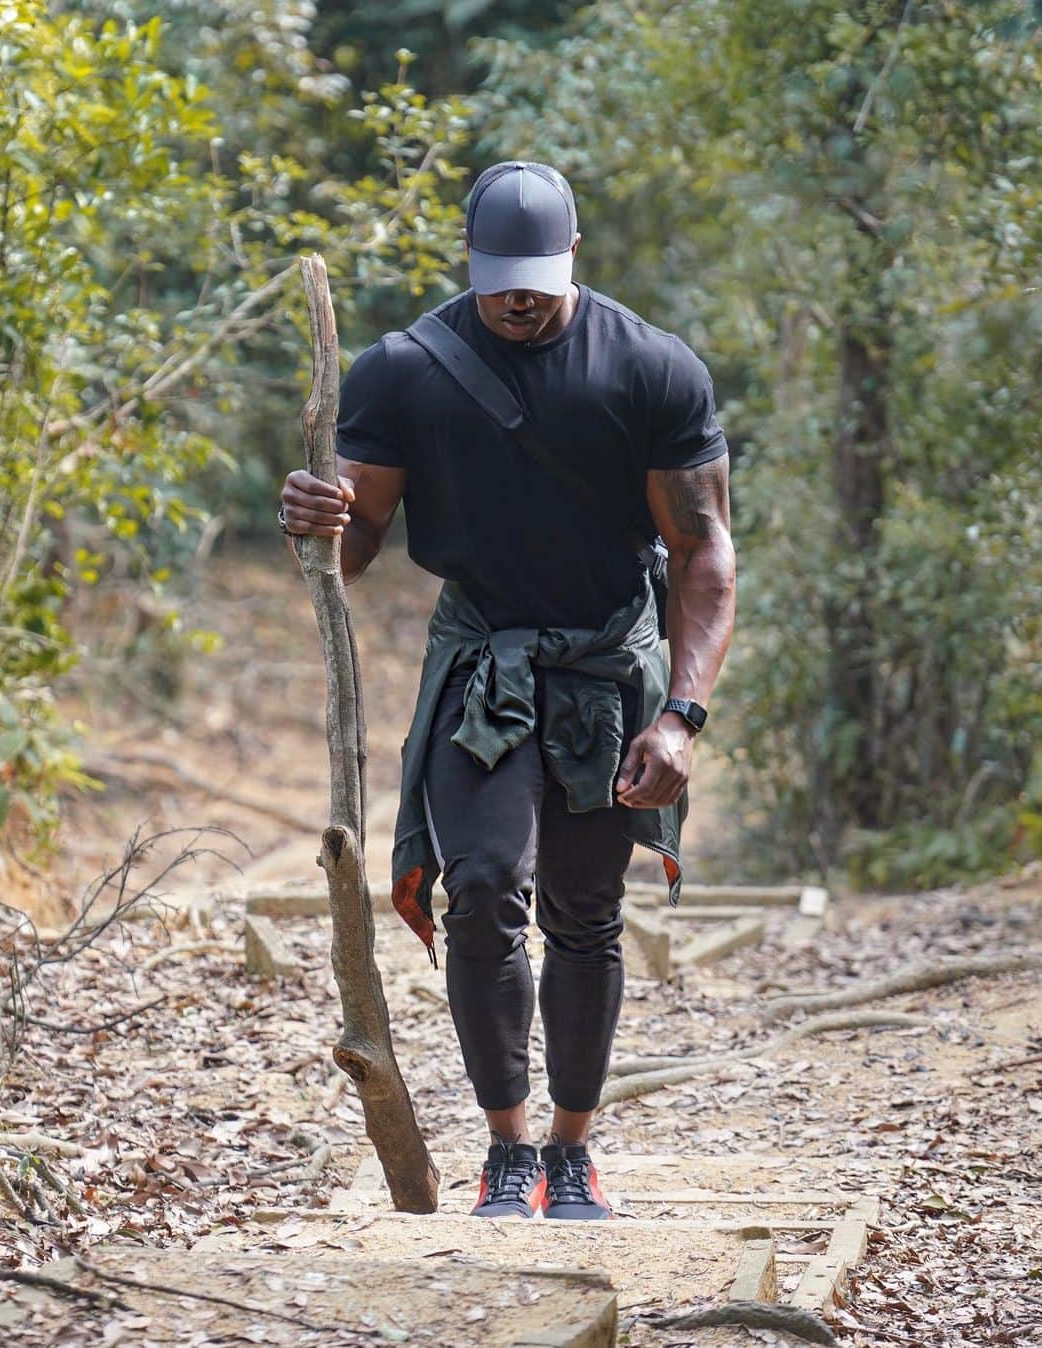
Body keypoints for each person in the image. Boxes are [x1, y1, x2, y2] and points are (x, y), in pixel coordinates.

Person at [281, 161, 735, 1220]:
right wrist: (317, 521)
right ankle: (509, 1148)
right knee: (481, 887)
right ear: (469, 262)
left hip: (609, 668)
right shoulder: (405, 371)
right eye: (497, 279)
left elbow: (704, 552)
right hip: (483, 665)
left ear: (573, 254)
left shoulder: (654, 369)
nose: (517, 298)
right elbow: (357, 549)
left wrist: (683, 716)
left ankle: (574, 1152)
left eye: (535, 276)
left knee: (586, 910)